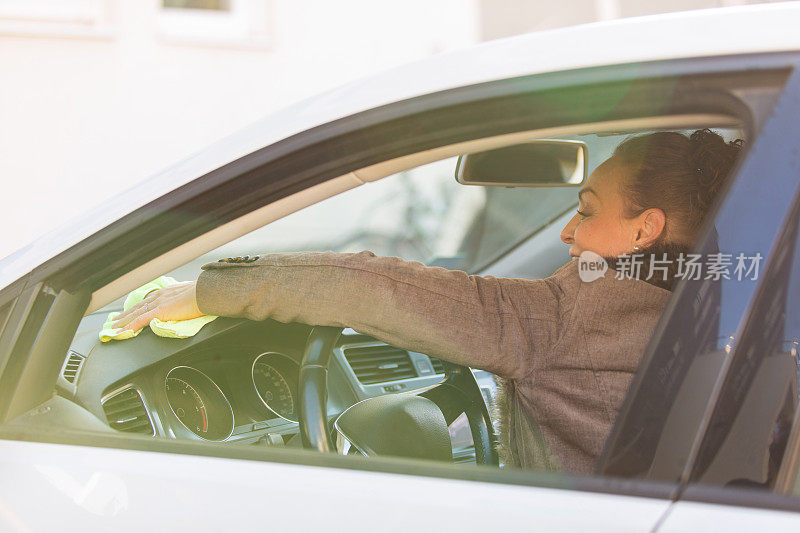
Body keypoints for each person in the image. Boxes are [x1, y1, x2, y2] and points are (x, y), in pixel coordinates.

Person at [111, 128, 743, 474]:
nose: (567, 233)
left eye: (585, 212)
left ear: (645, 229)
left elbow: (373, 288)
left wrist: (203, 290)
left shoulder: (570, 314)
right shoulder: (731, 305)